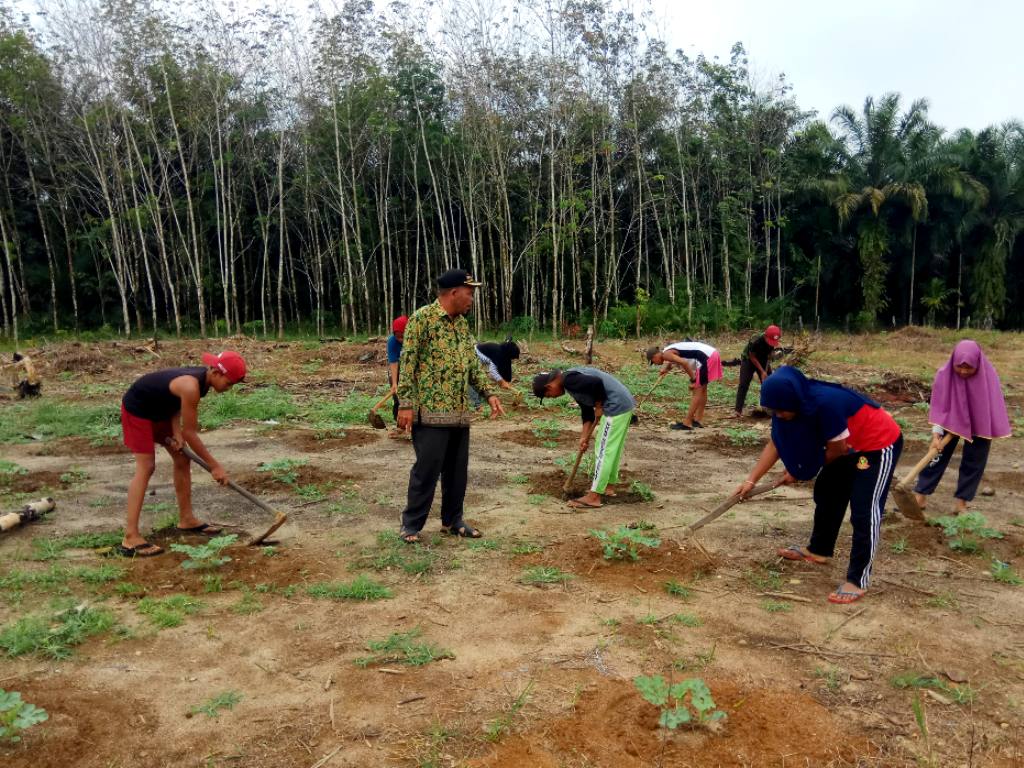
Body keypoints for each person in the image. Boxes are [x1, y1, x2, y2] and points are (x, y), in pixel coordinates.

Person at [735, 366, 903, 604]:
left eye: (782, 410)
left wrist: (801, 471)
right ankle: (819, 550)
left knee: (865, 509)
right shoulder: (786, 406)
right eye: (774, 411)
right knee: (827, 493)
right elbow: (776, 443)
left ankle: (858, 580)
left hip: (875, 445)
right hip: (845, 447)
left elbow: (837, 450)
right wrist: (751, 480)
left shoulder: (825, 405)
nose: (779, 415)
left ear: (793, 401)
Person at [397, 269, 505, 543]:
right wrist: (405, 404)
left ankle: (452, 520)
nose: (471, 299)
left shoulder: (461, 325)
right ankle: (411, 525)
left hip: (459, 413)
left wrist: (488, 393)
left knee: (457, 472)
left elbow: (471, 364)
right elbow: (407, 363)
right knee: (427, 470)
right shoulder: (423, 319)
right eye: (469, 294)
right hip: (431, 413)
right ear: (454, 292)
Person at [118, 351, 247, 557]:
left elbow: (173, 402)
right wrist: (214, 466)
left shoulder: (201, 381)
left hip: (159, 409)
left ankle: (186, 519)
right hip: (139, 409)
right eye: (229, 383)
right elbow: (192, 433)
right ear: (215, 372)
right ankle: (130, 537)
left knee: (182, 457)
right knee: (147, 466)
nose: (229, 388)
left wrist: (176, 432)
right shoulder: (191, 386)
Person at [914, 340, 1011, 515]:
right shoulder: (945, 375)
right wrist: (936, 435)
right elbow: (940, 406)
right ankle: (920, 495)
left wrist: (974, 419)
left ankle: (961, 502)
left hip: (980, 424)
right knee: (937, 455)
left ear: (978, 365)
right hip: (949, 421)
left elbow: (992, 404)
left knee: (974, 461)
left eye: (969, 368)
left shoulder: (988, 377)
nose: (964, 371)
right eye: (960, 367)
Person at [532, 367, 635, 509]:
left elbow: (596, 383)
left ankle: (594, 497)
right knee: (612, 450)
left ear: (549, 386)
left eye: (549, 395)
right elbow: (587, 412)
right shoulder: (571, 382)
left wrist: (599, 405)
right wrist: (583, 437)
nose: (554, 397)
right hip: (623, 404)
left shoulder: (569, 380)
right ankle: (608, 487)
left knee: (603, 451)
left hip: (615, 406)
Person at [645, 340, 723, 430]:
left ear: (655, 357)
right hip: (712, 354)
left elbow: (684, 363)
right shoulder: (666, 351)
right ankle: (698, 420)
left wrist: (693, 380)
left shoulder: (666, 354)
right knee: (702, 389)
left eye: (653, 362)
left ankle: (687, 422)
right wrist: (666, 369)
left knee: (697, 391)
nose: (655, 364)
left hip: (705, 357)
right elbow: (674, 360)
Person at [734, 325, 782, 417]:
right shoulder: (755, 339)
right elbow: (752, 356)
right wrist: (762, 371)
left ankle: (770, 408)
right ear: (765, 336)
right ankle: (738, 410)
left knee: (769, 383)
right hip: (749, 359)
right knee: (744, 383)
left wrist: (766, 370)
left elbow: (769, 356)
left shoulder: (773, 340)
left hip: (763, 360)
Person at [469, 339, 520, 407]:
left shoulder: (503, 352)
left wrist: (506, 381)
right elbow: (492, 371)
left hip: (479, 357)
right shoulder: (498, 353)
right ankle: (477, 404)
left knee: (479, 380)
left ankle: (480, 398)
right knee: (472, 380)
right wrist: (502, 382)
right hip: (473, 355)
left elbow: (506, 368)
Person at [386, 315, 409, 437]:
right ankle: (400, 427)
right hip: (397, 370)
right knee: (397, 398)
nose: (400, 339)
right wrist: (395, 383)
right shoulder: (392, 342)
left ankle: (417, 426)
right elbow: (393, 363)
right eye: (398, 336)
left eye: (402, 336)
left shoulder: (414, 339)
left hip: (413, 370)